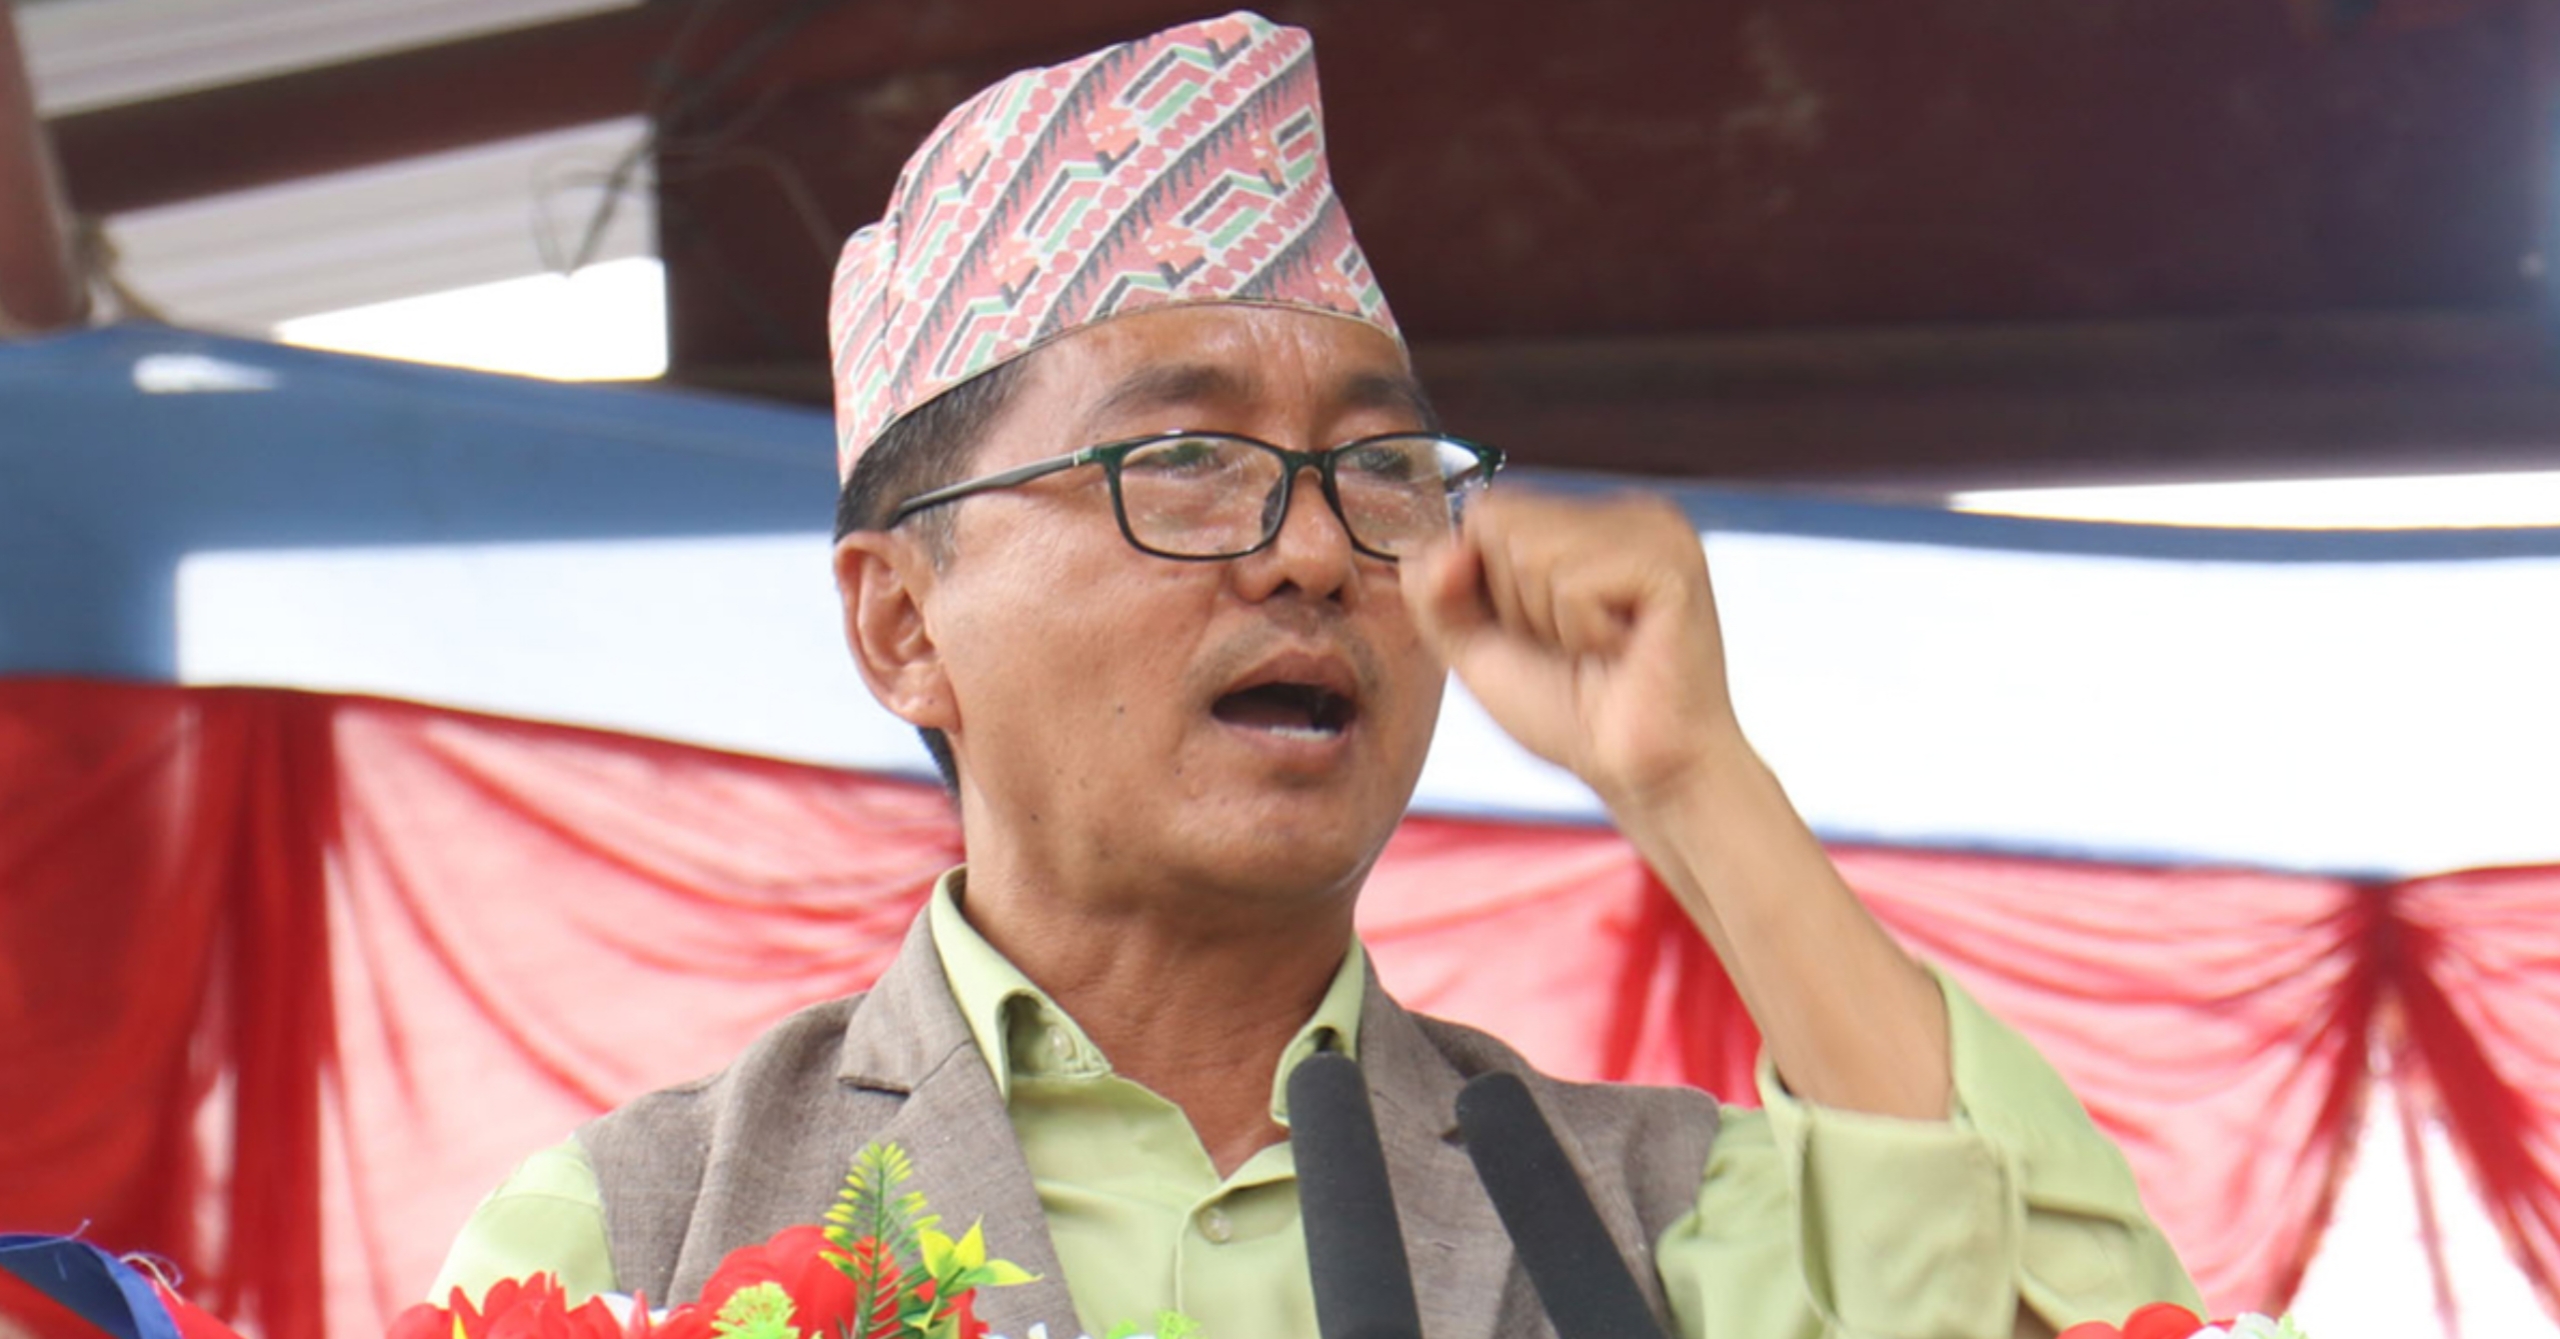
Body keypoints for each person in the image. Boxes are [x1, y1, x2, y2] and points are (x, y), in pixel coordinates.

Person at [434, 12, 2200, 1337]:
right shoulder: (635, 1239)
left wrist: (1691, 782)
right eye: (1185, 461)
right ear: (904, 624)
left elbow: (2079, 1315)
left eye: (1379, 469)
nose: (1311, 552)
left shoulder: (1654, 1217)